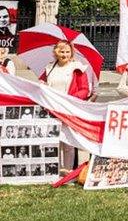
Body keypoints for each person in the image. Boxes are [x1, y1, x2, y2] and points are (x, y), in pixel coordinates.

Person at [38, 40, 91, 171]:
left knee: (68, 143)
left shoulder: (77, 68)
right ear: (56, 52)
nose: (64, 54)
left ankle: (67, 171)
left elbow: (85, 90)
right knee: (54, 141)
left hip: (68, 109)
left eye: (67, 52)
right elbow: (41, 83)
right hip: (52, 109)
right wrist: (41, 85)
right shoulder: (49, 68)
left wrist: (70, 99)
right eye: (62, 51)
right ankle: (54, 170)